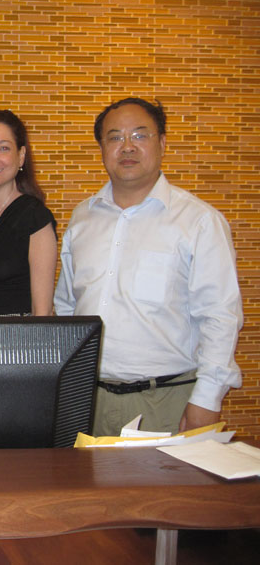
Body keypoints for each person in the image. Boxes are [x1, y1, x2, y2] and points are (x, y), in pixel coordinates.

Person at [54, 97, 242, 435]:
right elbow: (67, 308)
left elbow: (220, 317)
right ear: (102, 148)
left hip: (167, 401)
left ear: (162, 143)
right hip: (89, 401)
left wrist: (207, 400)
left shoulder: (198, 221)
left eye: (140, 135)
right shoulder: (82, 218)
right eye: (115, 137)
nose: (127, 146)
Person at [0, 110, 57, 316]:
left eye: (3, 148)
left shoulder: (35, 218)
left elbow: (41, 312)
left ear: (21, 156)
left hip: (13, 334)